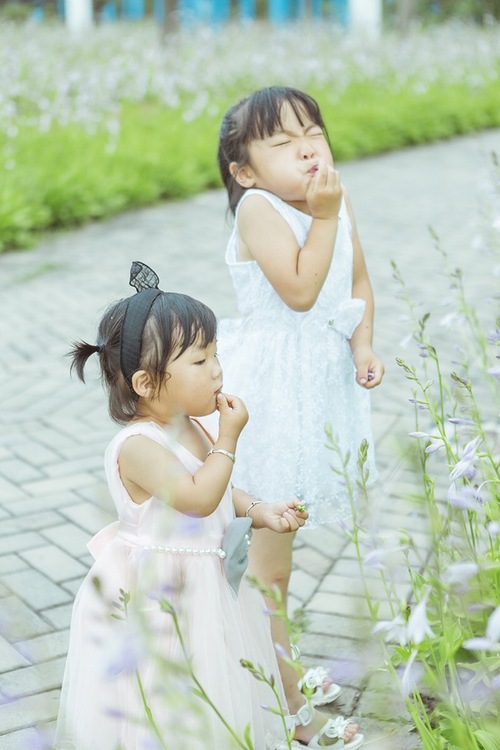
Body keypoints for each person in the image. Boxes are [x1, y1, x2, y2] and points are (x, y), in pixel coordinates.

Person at [54, 261, 311, 750]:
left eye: (216, 355)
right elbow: (196, 497)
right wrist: (230, 438)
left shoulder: (191, 426)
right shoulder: (139, 446)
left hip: (207, 586)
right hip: (163, 597)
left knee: (217, 688)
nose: (216, 370)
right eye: (199, 361)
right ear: (146, 384)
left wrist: (258, 509)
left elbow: (216, 488)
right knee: (169, 697)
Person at [216, 85, 384, 745]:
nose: (307, 148)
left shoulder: (329, 207)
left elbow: (357, 282)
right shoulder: (260, 209)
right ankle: (289, 713)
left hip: (319, 392)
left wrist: (363, 344)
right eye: (283, 143)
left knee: (268, 554)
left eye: (312, 133)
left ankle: (248, 663)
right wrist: (325, 216)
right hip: (273, 400)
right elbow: (301, 288)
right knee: (270, 567)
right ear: (245, 171)